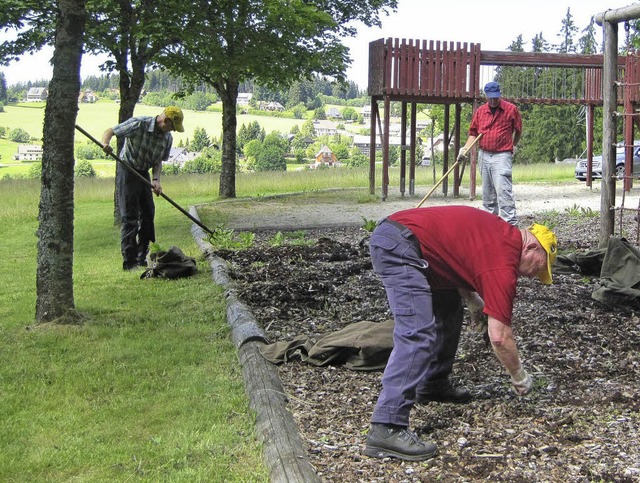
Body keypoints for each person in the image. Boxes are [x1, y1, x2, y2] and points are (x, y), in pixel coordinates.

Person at [364, 206, 557, 462]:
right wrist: (519, 375)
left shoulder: (500, 236)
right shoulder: (503, 263)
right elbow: (499, 337)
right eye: (539, 267)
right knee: (417, 334)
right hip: (401, 245)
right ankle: (386, 427)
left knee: (448, 308)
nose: (534, 275)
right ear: (532, 247)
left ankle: (433, 384)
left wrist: (473, 300)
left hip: (406, 238)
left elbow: (456, 256)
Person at [102, 106, 185, 270]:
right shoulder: (139, 124)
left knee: (148, 214)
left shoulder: (167, 138)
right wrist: (105, 143)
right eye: (172, 127)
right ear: (165, 120)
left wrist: (156, 180)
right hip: (128, 170)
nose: (173, 131)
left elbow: (158, 160)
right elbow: (110, 131)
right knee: (130, 217)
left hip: (144, 173)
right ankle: (130, 261)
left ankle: (143, 256)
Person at [459, 81, 522, 226]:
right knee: (488, 196)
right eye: (490, 97)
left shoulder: (511, 109)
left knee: (503, 192)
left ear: (500, 94)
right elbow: (473, 133)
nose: (493, 100)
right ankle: (490, 228)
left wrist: (513, 146)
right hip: (484, 155)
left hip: (502, 155)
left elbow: (518, 130)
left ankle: (510, 228)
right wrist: (465, 149)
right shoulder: (481, 111)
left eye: (496, 97)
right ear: (486, 96)